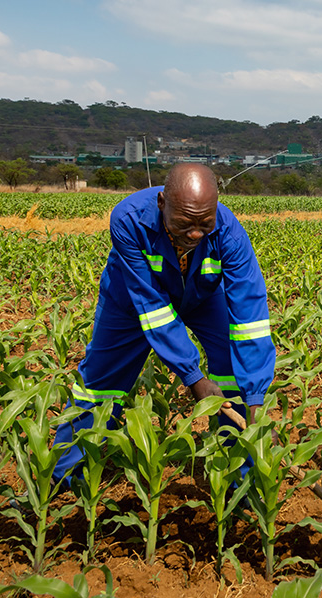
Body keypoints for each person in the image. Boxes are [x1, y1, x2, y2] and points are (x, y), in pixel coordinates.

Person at [52, 163, 276, 486]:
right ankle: (62, 479)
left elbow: (250, 314)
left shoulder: (229, 232)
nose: (196, 233)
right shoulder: (128, 220)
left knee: (235, 377)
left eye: (205, 224)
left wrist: (255, 397)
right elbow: (154, 308)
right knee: (101, 381)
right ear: (161, 204)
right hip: (133, 297)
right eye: (185, 223)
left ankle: (241, 478)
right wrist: (193, 377)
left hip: (201, 293)